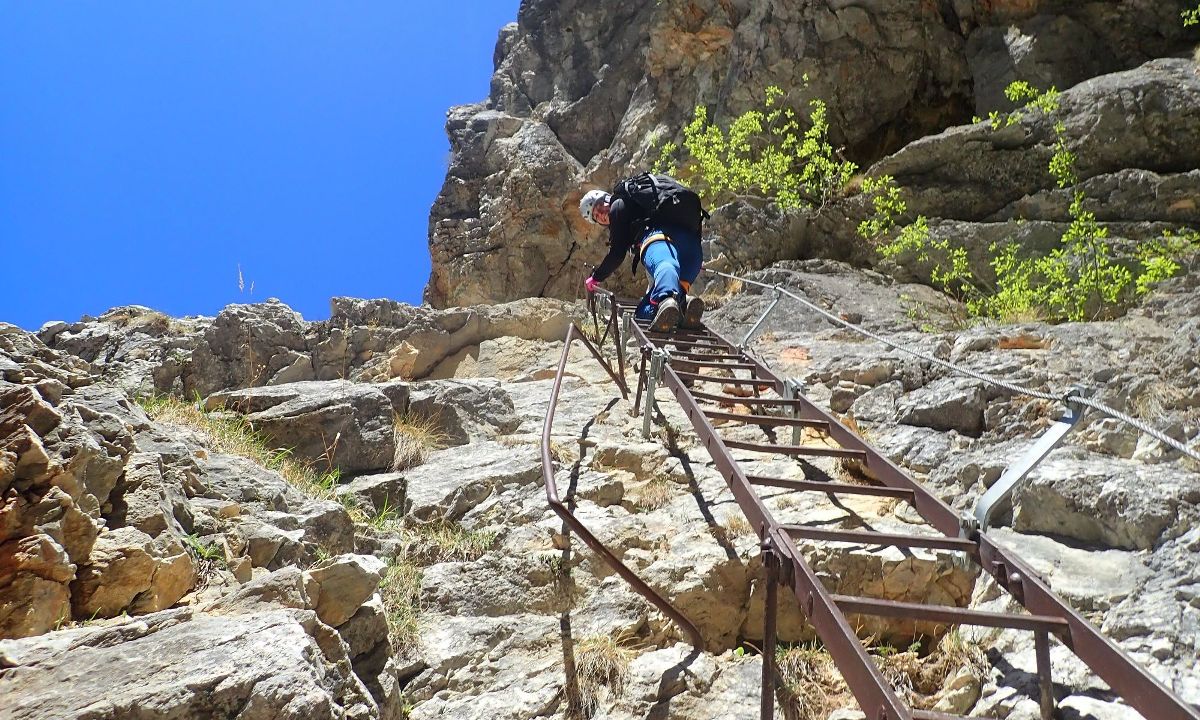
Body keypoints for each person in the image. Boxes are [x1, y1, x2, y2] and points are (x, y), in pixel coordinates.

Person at [579, 173, 706, 332]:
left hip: (660, 238)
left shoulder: (617, 206)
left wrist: (595, 277)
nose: (601, 215)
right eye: (596, 217)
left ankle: (668, 299)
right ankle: (685, 306)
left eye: (598, 208)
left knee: (665, 267)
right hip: (692, 249)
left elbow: (617, 253)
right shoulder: (639, 204)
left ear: (605, 199)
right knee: (673, 290)